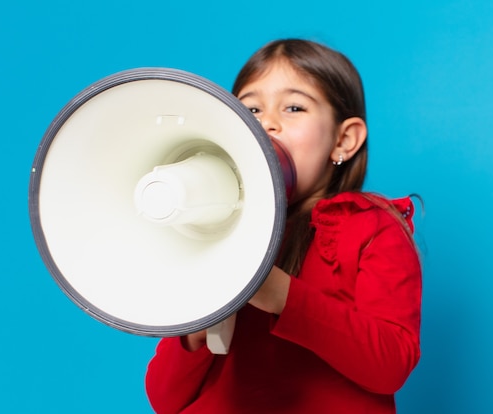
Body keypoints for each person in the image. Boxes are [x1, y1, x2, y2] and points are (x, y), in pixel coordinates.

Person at [145, 38, 422, 414]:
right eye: (250, 109)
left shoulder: (371, 229)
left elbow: (391, 364)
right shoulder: (216, 235)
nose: (267, 124)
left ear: (344, 139)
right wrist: (196, 330)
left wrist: (281, 295)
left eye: (294, 107)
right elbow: (165, 399)